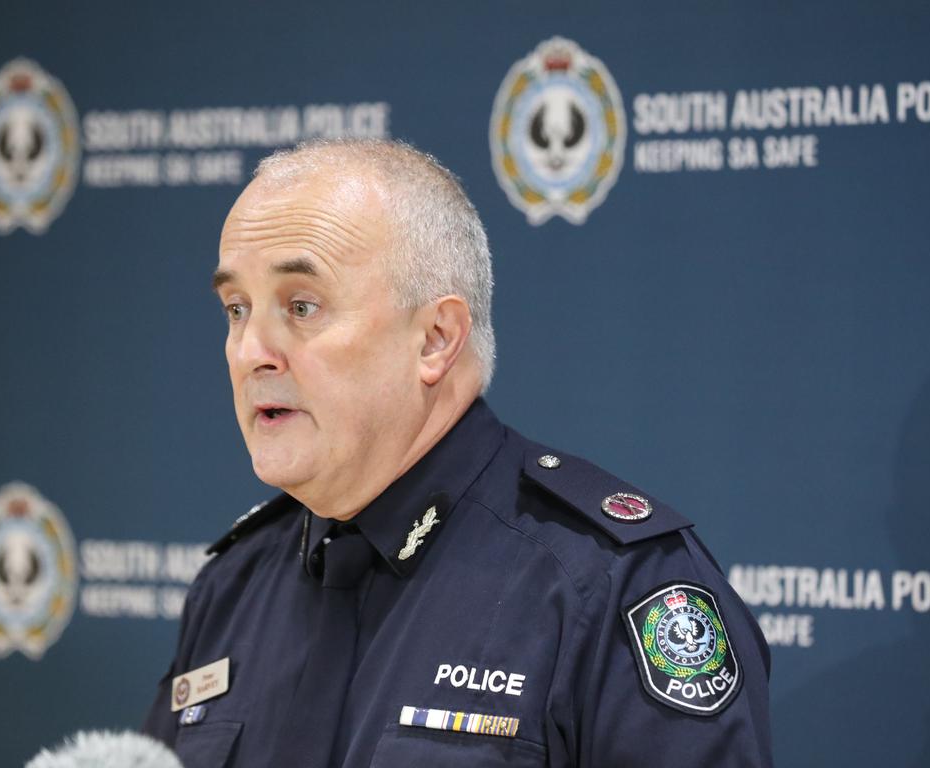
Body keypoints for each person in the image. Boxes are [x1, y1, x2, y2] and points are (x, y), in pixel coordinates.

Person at [143, 139, 773, 767]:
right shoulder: (231, 586)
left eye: (302, 306)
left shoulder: (610, 585)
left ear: (436, 339)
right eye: (236, 309)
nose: (251, 350)